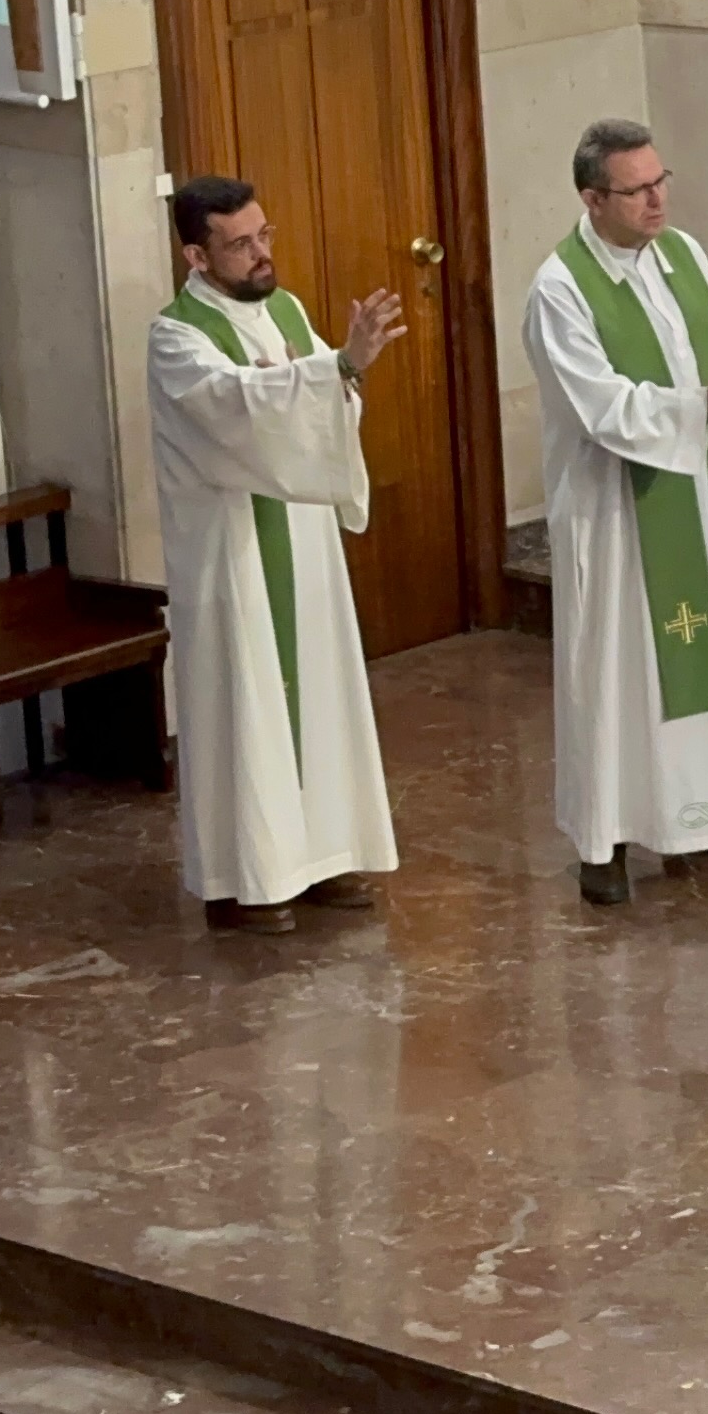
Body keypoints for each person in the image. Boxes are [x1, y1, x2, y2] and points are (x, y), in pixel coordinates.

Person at [521, 119, 708, 906]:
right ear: (592, 198)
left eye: (660, 181)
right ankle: (604, 838)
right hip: (616, 511)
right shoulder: (561, 287)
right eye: (637, 190)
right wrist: (694, 408)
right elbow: (599, 404)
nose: (657, 200)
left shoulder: (683, 254)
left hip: (700, 492)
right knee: (619, 670)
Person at [145, 176, 404, 933]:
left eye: (265, 235)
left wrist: (340, 374)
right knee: (247, 698)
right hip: (233, 556)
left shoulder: (284, 309)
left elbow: (325, 401)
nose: (261, 253)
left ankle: (322, 855)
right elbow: (233, 407)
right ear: (196, 256)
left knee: (316, 690)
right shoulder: (176, 336)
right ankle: (245, 878)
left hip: (301, 541)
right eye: (240, 244)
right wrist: (326, 373)